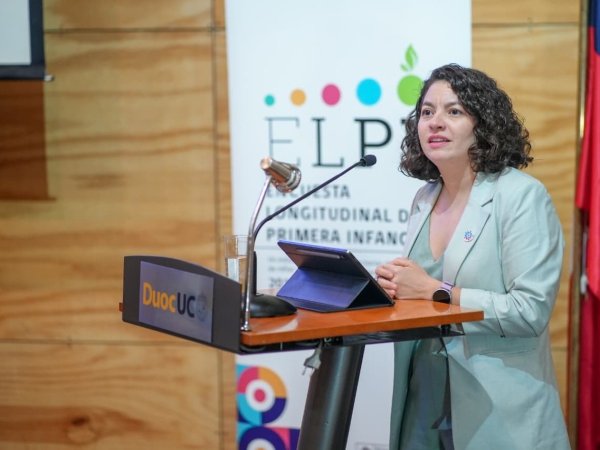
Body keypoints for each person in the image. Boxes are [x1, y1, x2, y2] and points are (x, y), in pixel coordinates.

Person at [375, 63, 571, 450]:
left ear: (483, 125)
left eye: (454, 111)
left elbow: (529, 311)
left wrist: (436, 291)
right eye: (427, 112)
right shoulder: (424, 198)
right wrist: (395, 287)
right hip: (423, 395)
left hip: (497, 408)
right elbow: (421, 295)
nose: (435, 122)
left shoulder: (520, 196)